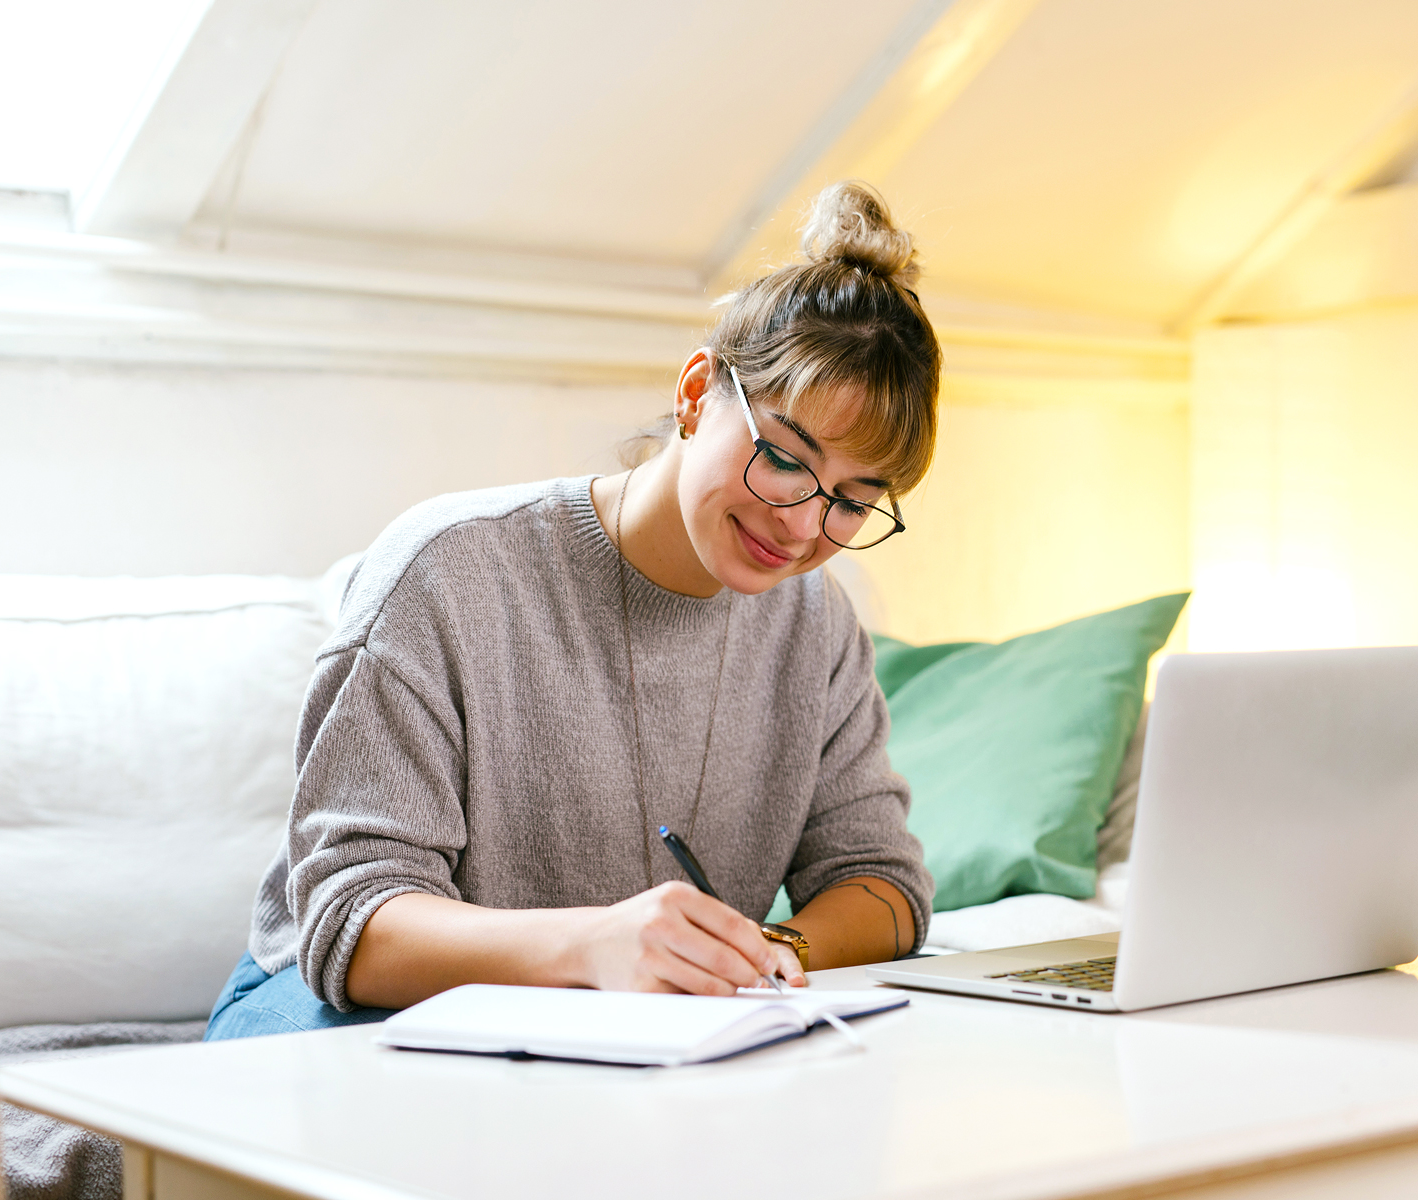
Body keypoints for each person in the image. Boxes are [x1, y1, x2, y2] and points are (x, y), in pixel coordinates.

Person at [205, 181, 943, 1039]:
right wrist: (594, 947)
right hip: (335, 1011)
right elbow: (350, 926)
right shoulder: (451, 571)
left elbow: (883, 883)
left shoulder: (814, 626)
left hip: (603, 1030)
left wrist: (762, 952)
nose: (804, 526)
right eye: (783, 456)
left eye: (853, 501)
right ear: (699, 392)